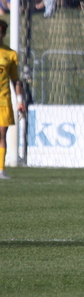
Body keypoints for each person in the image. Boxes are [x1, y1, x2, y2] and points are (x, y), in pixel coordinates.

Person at [0, 20, 24, 179]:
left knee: (1, 134)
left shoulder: (10, 54)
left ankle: (1, 169)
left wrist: (20, 100)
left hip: (3, 100)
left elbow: (16, 80)